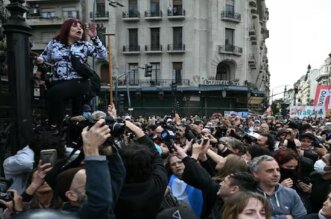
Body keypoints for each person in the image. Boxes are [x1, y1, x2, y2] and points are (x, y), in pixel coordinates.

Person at [37, 18, 107, 128]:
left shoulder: (84, 45)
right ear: (67, 29)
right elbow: (44, 57)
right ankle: (73, 139)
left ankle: (55, 127)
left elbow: (103, 56)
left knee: (55, 93)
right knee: (76, 116)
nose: (79, 28)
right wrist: (39, 60)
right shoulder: (54, 44)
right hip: (59, 82)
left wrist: (94, 38)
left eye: (81, 27)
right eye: (75, 26)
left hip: (79, 82)